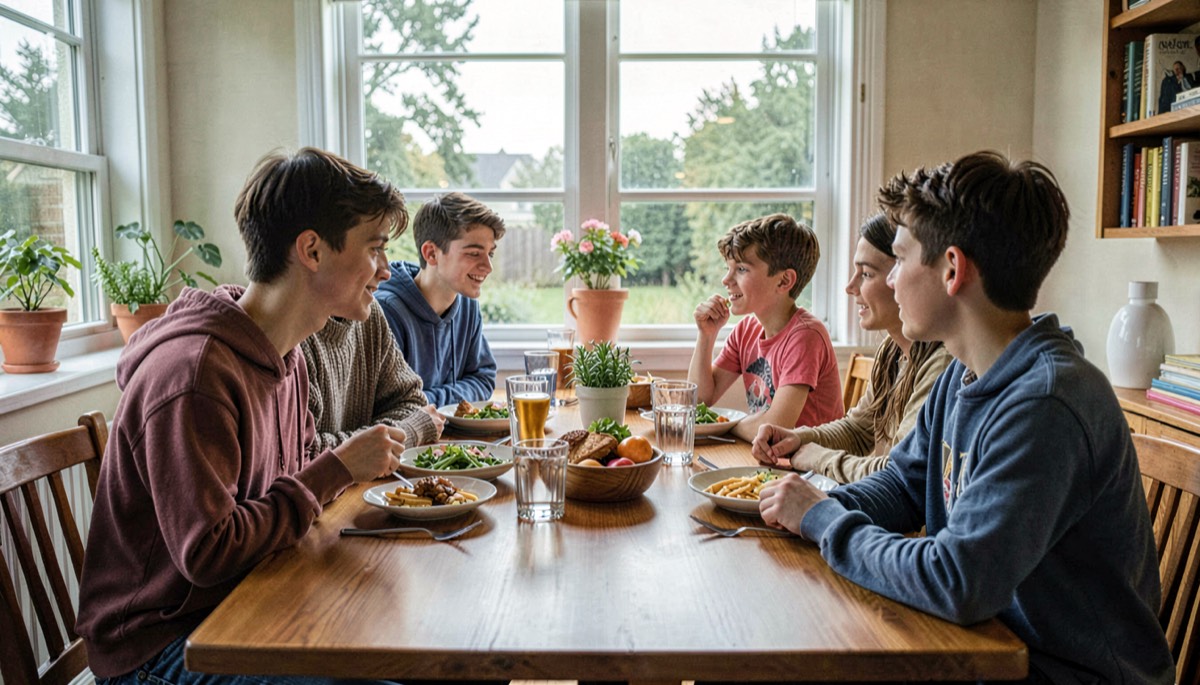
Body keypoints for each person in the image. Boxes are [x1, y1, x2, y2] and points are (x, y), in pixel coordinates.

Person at [758, 151, 1174, 683]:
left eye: (901, 260)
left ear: (952, 269)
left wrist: (822, 520)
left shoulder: (1047, 403)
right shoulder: (963, 374)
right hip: (980, 650)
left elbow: (958, 580)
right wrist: (794, 506)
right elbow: (903, 487)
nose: (888, 282)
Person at [76, 147, 408, 685]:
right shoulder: (192, 376)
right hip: (160, 648)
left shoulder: (287, 354)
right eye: (374, 248)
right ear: (312, 250)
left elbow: (294, 481)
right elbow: (207, 553)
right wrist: (338, 467)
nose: (386, 270)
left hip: (245, 602)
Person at [751, 213, 952, 484]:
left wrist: (816, 456)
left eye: (866, 274)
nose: (849, 287)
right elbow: (858, 430)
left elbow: (898, 475)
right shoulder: (892, 351)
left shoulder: (941, 364)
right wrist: (798, 438)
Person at [688, 213, 843, 443]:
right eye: (728, 268)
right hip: (773, 463)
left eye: (741, 269)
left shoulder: (806, 336)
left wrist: (727, 425)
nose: (726, 279)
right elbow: (698, 401)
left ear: (783, 281)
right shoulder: (746, 330)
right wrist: (706, 336)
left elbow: (774, 428)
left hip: (812, 471)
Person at [375, 192, 504, 406]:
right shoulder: (387, 312)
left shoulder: (468, 307)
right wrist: (455, 399)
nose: (488, 268)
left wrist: (431, 398)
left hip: (453, 437)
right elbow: (395, 405)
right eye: (474, 253)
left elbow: (483, 379)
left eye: (489, 254)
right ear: (431, 254)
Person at [301, 298, 446, 455]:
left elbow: (412, 402)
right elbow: (305, 453)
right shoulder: (297, 337)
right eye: (374, 270)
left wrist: (376, 441)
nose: (386, 274)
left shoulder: (369, 311)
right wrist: (408, 431)